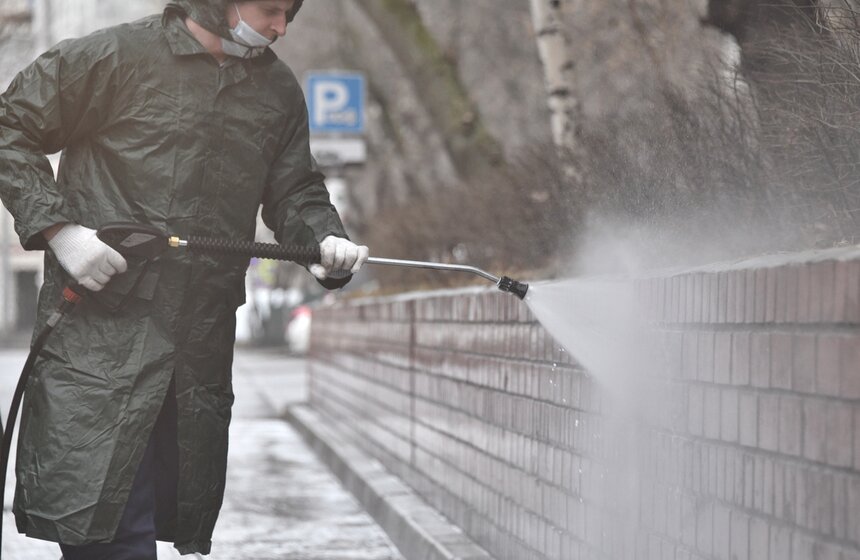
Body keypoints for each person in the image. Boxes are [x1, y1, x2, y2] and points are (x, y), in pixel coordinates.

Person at [0, 0, 368, 557]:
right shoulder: (115, 57)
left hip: (197, 345)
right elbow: (10, 125)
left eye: (290, 14)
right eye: (270, 10)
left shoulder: (276, 91)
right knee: (109, 528)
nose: (281, 28)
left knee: (154, 512)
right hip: (101, 338)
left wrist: (321, 238)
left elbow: (296, 189)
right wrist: (59, 231)